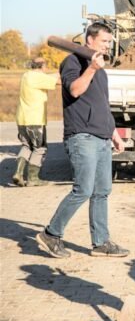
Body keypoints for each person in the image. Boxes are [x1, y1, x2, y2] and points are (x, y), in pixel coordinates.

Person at [36, 22, 129, 259]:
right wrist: (91, 70)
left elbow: (103, 106)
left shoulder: (102, 71)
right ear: (90, 40)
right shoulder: (73, 62)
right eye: (104, 41)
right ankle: (51, 234)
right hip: (82, 136)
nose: (109, 45)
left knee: (102, 191)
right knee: (83, 189)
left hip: (101, 137)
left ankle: (101, 243)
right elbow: (75, 90)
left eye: (110, 41)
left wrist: (114, 134)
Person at [13, 57, 59, 186]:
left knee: (26, 146)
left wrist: (56, 73)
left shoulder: (26, 75)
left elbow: (49, 77)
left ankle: (18, 173)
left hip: (22, 118)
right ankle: (33, 179)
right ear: (42, 66)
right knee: (39, 148)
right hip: (35, 119)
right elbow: (59, 81)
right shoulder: (38, 78)